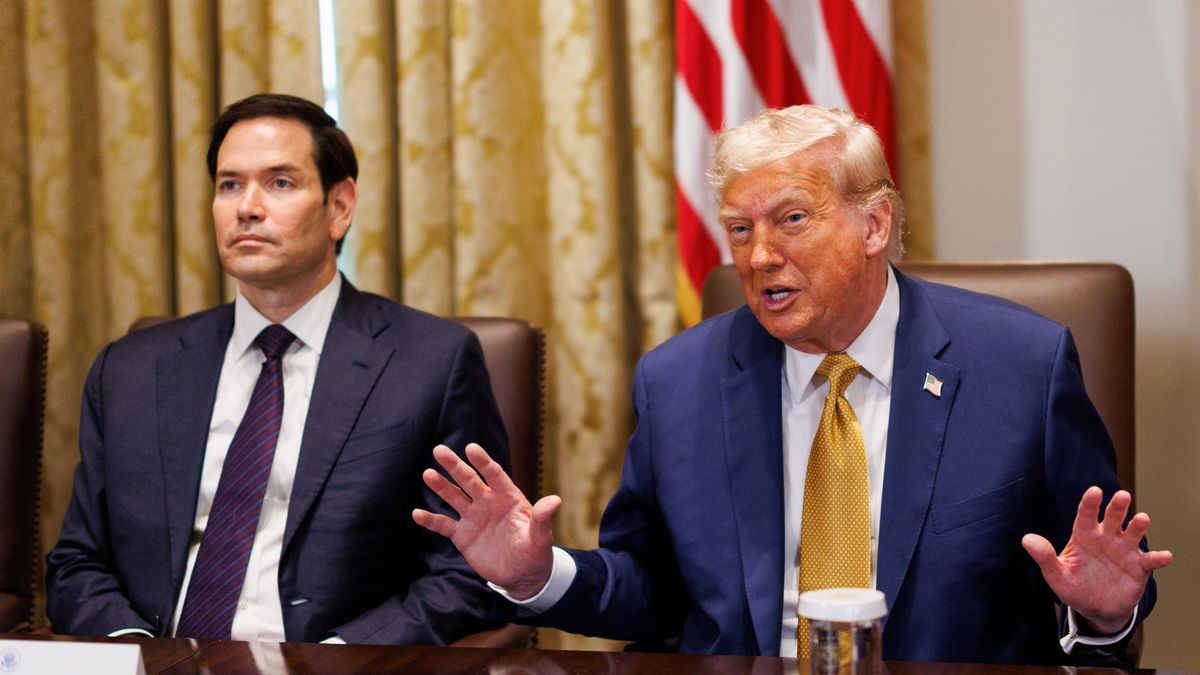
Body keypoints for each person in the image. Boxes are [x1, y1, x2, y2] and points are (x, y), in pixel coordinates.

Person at [413, 105, 1172, 665]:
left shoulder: (1022, 366)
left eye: (792, 219)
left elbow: (1093, 574)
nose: (760, 255)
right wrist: (539, 573)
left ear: (874, 225)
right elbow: (650, 587)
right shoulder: (679, 381)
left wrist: (1106, 613)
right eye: (740, 230)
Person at [47, 93, 509, 645]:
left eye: (280, 183)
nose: (247, 207)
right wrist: (135, 655)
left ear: (340, 207)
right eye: (229, 184)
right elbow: (77, 563)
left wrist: (338, 660)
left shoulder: (431, 362)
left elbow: (468, 573)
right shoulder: (132, 370)